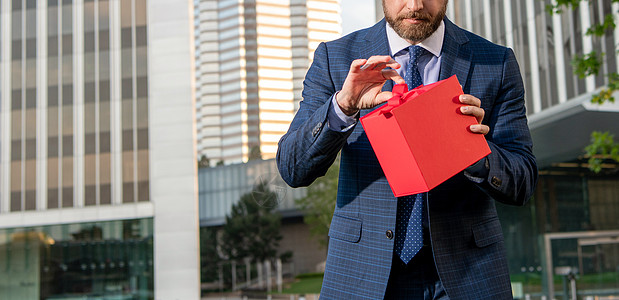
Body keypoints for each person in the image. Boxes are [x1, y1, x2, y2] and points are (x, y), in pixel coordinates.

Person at [276, 0, 538, 299]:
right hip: (363, 271)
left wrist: (472, 149)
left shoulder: (495, 62)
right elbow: (293, 169)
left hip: (467, 274)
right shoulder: (335, 58)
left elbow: (523, 182)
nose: (415, 5)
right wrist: (342, 107)